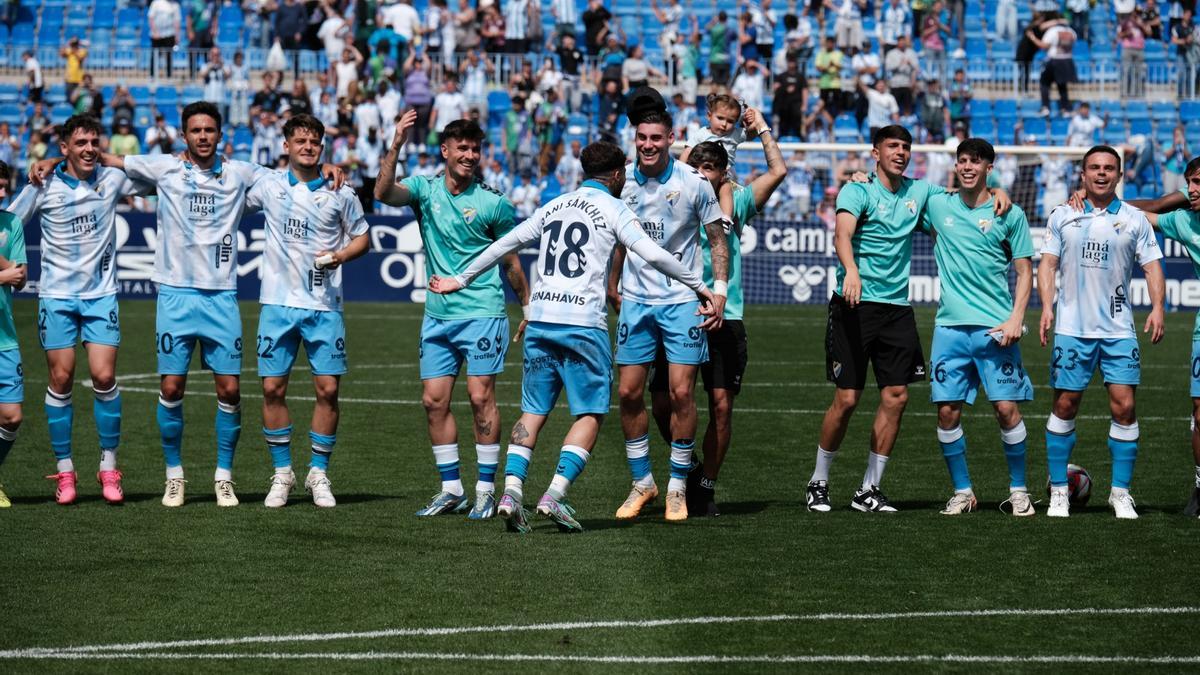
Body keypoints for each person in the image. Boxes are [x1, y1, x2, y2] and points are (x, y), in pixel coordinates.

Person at [25, 102, 337, 507]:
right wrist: (53, 157)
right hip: (174, 295)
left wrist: (327, 169)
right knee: (171, 387)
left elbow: (294, 176)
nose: (203, 136)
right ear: (184, 134)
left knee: (229, 390)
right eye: (196, 130)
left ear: (220, 134)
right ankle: (175, 476)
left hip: (222, 297)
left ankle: (223, 477)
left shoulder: (243, 173)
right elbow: (99, 157)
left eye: (210, 129)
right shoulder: (165, 167)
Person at [429, 141, 716, 532]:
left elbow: (505, 244)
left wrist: (459, 279)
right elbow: (653, 254)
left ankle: (512, 491)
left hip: (542, 320)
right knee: (590, 414)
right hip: (582, 324)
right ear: (617, 175)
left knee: (533, 411)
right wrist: (700, 286)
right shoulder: (615, 208)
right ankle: (554, 495)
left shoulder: (554, 205)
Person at [806, 125, 1010, 514]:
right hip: (853, 303)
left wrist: (998, 191)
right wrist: (851, 270)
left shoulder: (921, 192)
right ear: (875, 152)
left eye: (905, 147)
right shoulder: (857, 190)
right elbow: (842, 235)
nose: (900, 153)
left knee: (896, 397)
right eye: (892, 146)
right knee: (847, 398)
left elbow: (965, 195)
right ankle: (819, 480)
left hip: (897, 308)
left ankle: (870, 489)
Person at [376, 112, 531, 519]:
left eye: (475, 148)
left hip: (482, 310)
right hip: (438, 315)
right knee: (433, 401)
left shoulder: (494, 202)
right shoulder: (424, 190)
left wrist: (527, 307)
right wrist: (396, 145)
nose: (470, 155)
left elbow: (511, 263)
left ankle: (484, 490)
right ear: (445, 151)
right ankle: (451, 489)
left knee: (481, 397)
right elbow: (382, 192)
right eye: (462, 148)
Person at [648, 114, 788, 516]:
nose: (703, 176)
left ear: (723, 175)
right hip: (677, 311)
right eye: (697, 168)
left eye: (711, 170)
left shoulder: (738, 202)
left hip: (728, 316)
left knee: (722, 406)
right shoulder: (674, 200)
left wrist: (761, 126)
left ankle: (705, 485)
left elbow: (779, 170)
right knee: (661, 403)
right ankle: (687, 465)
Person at [8, 115, 152, 505]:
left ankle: (109, 466)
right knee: (62, 378)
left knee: (104, 377)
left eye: (94, 141)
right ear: (64, 147)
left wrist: (109, 157)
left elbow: (161, 176)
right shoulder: (44, 185)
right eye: (81, 142)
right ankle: (66, 471)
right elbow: (9, 223)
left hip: (100, 296)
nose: (89, 148)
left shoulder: (113, 178)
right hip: (56, 298)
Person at [605, 91, 730, 522]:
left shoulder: (693, 183)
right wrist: (612, 282)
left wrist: (720, 291)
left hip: (681, 303)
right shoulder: (622, 182)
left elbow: (717, 238)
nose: (648, 144)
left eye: (656, 138)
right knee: (628, 392)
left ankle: (677, 488)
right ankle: (644, 483)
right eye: (642, 137)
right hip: (637, 302)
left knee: (680, 393)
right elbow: (622, 237)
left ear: (671, 138)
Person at [244, 114, 370, 509]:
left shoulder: (341, 191)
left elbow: (364, 238)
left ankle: (318, 473)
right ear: (285, 145)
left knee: (328, 390)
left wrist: (339, 256)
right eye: (300, 140)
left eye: (314, 141)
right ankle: (283, 474)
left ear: (322, 146)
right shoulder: (267, 185)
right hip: (277, 305)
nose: (307, 146)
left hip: (323, 306)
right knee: (271, 389)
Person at [1038, 145, 1165, 519]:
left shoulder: (1135, 219)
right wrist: (1047, 306)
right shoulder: (1062, 215)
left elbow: (1153, 267)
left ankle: (1120, 493)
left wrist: (1158, 307)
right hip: (1072, 329)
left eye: (1109, 168)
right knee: (1064, 405)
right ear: (1082, 174)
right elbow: (1047, 265)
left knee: (1125, 408)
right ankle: (1059, 491)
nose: (1101, 173)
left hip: (1118, 330)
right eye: (1094, 167)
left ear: (1120, 175)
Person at [921, 138, 1036, 516]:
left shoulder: (1010, 214)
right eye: (962, 161)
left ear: (990, 167)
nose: (967, 167)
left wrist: (1017, 317)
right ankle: (962, 491)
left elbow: (1024, 271)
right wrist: (861, 177)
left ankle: (1019, 490)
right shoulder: (938, 205)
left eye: (976, 161)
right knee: (947, 412)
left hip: (995, 328)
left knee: (1005, 408)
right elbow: (897, 191)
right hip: (950, 329)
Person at [0, 161, 27, 508]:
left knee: (12, 416)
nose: (3, 193)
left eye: (5, 186)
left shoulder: (12, 223)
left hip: (4, 335)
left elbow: (20, 276)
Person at [679, 94, 750, 179]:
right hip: (703, 174)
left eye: (730, 121)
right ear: (709, 116)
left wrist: (750, 121)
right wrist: (680, 174)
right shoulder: (702, 133)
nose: (724, 124)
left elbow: (752, 133)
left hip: (724, 176)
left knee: (726, 189)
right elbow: (687, 152)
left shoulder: (735, 134)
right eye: (720, 118)